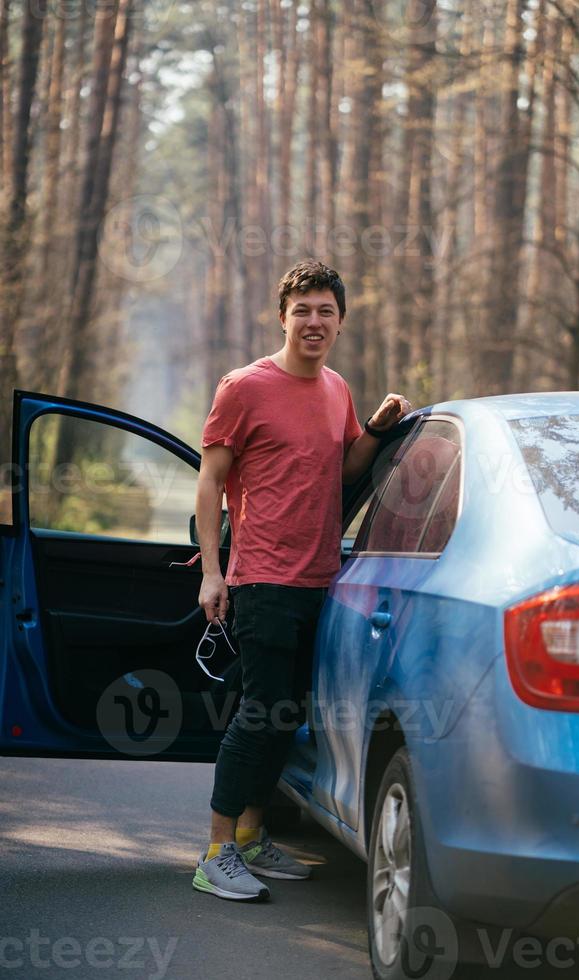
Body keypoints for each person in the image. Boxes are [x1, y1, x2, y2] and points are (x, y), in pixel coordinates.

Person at [192, 259, 411, 902]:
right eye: (302, 310)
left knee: (288, 718)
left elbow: (344, 473)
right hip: (261, 579)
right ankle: (215, 853)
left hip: (322, 579)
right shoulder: (245, 387)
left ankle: (254, 836)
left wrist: (375, 429)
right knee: (258, 714)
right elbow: (210, 479)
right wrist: (212, 572)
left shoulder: (336, 389)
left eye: (325, 311)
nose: (313, 322)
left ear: (340, 323)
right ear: (282, 316)